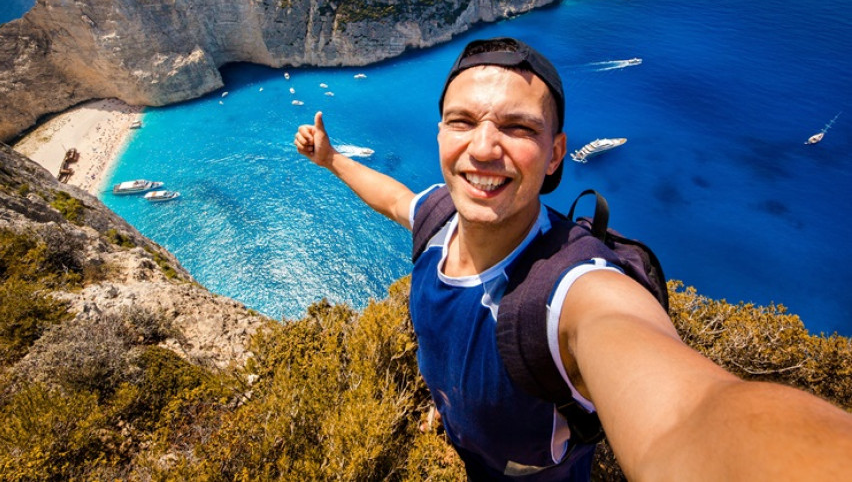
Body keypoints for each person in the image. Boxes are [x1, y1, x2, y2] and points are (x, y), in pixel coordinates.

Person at [295, 37, 852, 481]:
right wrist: (332, 159)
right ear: (441, 134)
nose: (484, 147)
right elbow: (394, 197)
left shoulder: (572, 291)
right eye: (462, 121)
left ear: (557, 152)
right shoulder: (437, 217)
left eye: (518, 128)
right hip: (467, 444)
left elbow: (690, 415)